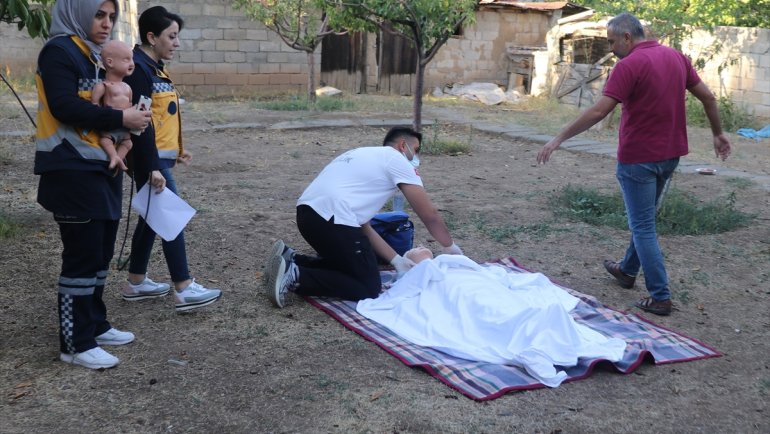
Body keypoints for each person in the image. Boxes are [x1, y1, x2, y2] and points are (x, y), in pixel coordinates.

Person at [536, 13, 732, 316]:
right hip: (670, 157)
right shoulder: (676, 57)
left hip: (638, 159)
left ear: (627, 37)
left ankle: (660, 297)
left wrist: (559, 138)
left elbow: (600, 111)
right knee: (644, 219)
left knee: (643, 227)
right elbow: (707, 97)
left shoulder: (628, 66)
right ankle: (627, 271)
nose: (611, 49)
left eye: (613, 42)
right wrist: (718, 133)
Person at [34, 0, 152, 369]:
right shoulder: (59, 51)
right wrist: (122, 116)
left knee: (101, 253)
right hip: (70, 168)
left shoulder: (94, 55)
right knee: (82, 257)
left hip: (102, 168)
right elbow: (63, 107)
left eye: (111, 17)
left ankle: (95, 324)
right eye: (98, 15)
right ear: (78, 12)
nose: (106, 24)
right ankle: (75, 342)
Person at [357, 247, 627, 387]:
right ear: (412, 263)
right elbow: (409, 292)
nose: (420, 246)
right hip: (459, 292)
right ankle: (533, 332)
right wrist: (424, 266)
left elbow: (497, 279)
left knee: (503, 306)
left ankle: (536, 328)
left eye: (421, 246)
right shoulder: (425, 271)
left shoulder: (456, 264)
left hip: (480, 287)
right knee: (484, 311)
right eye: (415, 250)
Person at [265, 126, 463, 308]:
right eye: (416, 149)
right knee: (367, 287)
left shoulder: (361, 154)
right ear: (403, 145)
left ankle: (293, 259)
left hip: (308, 216)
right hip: (332, 221)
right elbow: (430, 215)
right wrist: (449, 246)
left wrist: (397, 261)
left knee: (351, 266)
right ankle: (296, 275)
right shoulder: (397, 159)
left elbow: (363, 227)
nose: (417, 156)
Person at [121, 6, 221, 312]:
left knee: (153, 219)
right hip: (148, 160)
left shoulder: (154, 67)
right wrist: (151, 165)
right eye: (172, 36)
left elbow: (162, 118)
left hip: (159, 158)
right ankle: (184, 287)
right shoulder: (138, 69)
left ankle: (136, 282)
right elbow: (141, 123)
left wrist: (177, 148)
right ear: (152, 37)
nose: (177, 43)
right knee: (170, 217)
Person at [91, 40, 135, 173]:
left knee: (128, 143)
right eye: (126, 60)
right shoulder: (103, 85)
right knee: (105, 140)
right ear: (110, 62)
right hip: (110, 124)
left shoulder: (128, 87)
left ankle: (118, 159)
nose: (132, 63)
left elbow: (131, 105)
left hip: (125, 127)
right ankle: (113, 156)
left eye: (132, 59)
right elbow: (94, 105)